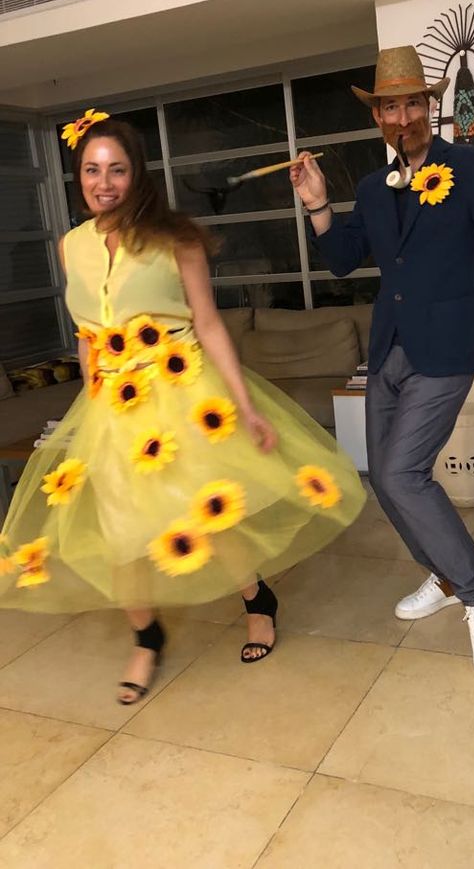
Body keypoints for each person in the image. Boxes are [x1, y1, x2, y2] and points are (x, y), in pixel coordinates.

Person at [0, 110, 365, 703]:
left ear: (135, 175)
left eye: (117, 170)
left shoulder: (178, 238)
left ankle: (256, 597)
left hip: (183, 399)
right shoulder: (71, 247)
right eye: (92, 170)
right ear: (78, 176)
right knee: (120, 533)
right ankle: (146, 636)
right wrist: (87, 414)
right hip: (114, 408)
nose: (104, 182)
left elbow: (209, 325)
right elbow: (89, 335)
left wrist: (245, 406)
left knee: (207, 515)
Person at [290, 46, 474, 679]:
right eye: (390, 105)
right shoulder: (373, 187)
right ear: (379, 117)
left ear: (429, 107)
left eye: (413, 101)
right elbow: (342, 259)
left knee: (405, 473)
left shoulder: (468, 165)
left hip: (446, 348)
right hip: (389, 346)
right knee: (384, 476)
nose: (402, 115)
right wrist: (317, 203)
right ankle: (440, 575)